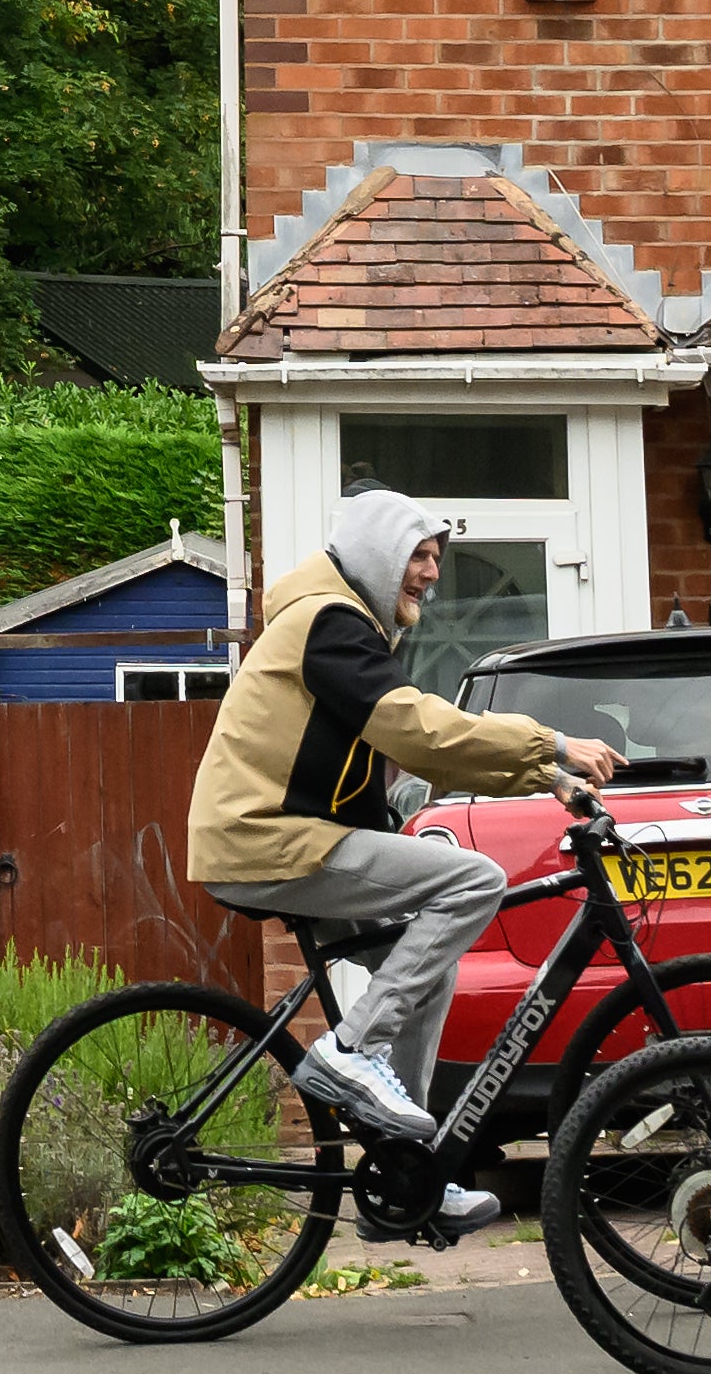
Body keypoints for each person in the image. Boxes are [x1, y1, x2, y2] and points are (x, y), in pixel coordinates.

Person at [187, 484, 624, 1229]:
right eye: (418, 555)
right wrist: (550, 740)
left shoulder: (344, 624)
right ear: (378, 554)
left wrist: (548, 778)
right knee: (473, 878)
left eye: (434, 557)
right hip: (265, 838)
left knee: (434, 954)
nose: (429, 572)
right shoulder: (330, 623)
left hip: (291, 836)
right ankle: (352, 1047)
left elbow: (418, 755)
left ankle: (414, 1165)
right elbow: (416, 726)